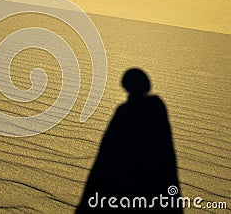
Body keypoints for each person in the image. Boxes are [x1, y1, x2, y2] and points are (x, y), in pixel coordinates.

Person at [76, 68, 182, 213]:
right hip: (156, 185)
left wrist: (87, 201)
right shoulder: (158, 108)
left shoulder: (125, 112)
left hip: (127, 187)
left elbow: (105, 156)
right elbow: (167, 154)